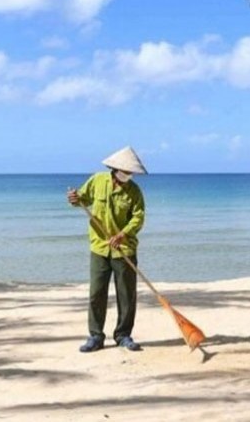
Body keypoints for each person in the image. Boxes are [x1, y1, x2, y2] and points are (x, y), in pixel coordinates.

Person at [67, 146, 147, 353]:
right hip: (99, 247)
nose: (128, 175)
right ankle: (95, 336)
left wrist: (123, 234)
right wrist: (75, 199)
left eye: (131, 172)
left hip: (124, 249)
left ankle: (123, 335)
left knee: (126, 295)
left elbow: (138, 217)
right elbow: (83, 199)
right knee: (96, 293)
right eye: (126, 171)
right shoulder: (97, 180)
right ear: (115, 168)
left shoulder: (134, 191)